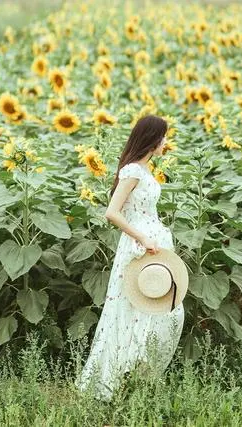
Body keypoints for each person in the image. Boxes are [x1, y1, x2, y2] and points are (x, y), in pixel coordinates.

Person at [74, 115, 184, 401]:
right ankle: (117, 378)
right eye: (163, 138)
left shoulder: (145, 170)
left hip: (152, 243)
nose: (165, 143)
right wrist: (142, 237)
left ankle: (138, 376)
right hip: (139, 246)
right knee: (132, 310)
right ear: (151, 139)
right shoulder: (133, 170)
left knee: (159, 309)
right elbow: (112, 212)